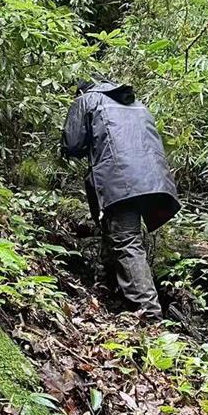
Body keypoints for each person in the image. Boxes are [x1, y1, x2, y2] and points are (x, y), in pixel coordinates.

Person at [61, 81, 181, 320]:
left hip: (122, 178)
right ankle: (111, 292)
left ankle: (149, 314)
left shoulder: (87, 100)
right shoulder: (135, 103)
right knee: (117, 232)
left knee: (126, 240)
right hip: (154, 180)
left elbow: (72, 144)